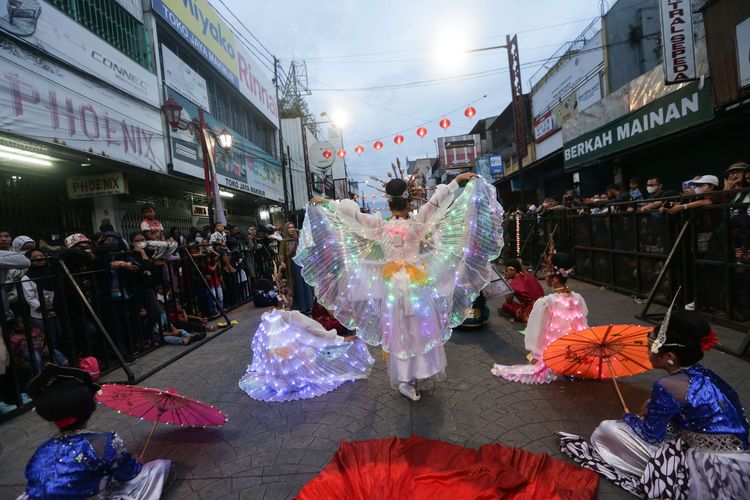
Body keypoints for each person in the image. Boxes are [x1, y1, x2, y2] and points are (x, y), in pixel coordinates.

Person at [298, 172, 504, 401]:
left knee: (400, 331)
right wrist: (457, 181)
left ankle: (406, 378)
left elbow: (352, 214)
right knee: (420, 327)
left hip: (395, 285)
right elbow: (437, 201)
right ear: (409, 201)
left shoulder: (378, 226)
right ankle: (420, 373)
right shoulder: (418, 223)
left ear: (388, 201)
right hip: (417, 284)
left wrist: (327, 203)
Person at [558, 310, 750, 499]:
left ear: (670, 357)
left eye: (651, 346)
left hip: (712, 469)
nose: (647, 351)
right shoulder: (708, 374)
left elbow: (650, 434)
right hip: (742, 459)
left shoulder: (667, 385)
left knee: (606, 430)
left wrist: (631, 416)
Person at [20, 364, 171, 499]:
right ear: (90, 409)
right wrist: (137, 463)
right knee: (157, 467)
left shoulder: (41, 450)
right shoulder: (103, 442)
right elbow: (129, 473)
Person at [491, 252, 589, 384]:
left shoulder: (548, 302)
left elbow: (537, 333)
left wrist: (537, 356)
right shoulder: (578, 298)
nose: (545, 275)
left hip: (555, 353)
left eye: (547, 272)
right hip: (573, 352)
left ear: (554, 278)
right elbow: (582, 327)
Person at [280, 221, 314, 313]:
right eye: (289, 228)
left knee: (305, 284)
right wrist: (282, 262)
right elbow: (281, 254)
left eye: (293, 227)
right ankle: (299, 307)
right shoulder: (284, 241)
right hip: (292, 266)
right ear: (286, 230)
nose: (291, 229)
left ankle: (309, 306)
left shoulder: (300, 239)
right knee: (296, 285)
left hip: (302, 264)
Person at [498, 259, 544, 323]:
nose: (504, 272)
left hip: (531, 314)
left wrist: (506, 283)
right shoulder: (527, 275)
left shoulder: (513, 283)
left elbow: (508, 300)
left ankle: (517, 316)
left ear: (513, 271)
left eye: (506, 270)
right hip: (543, 308)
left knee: (505, 305)